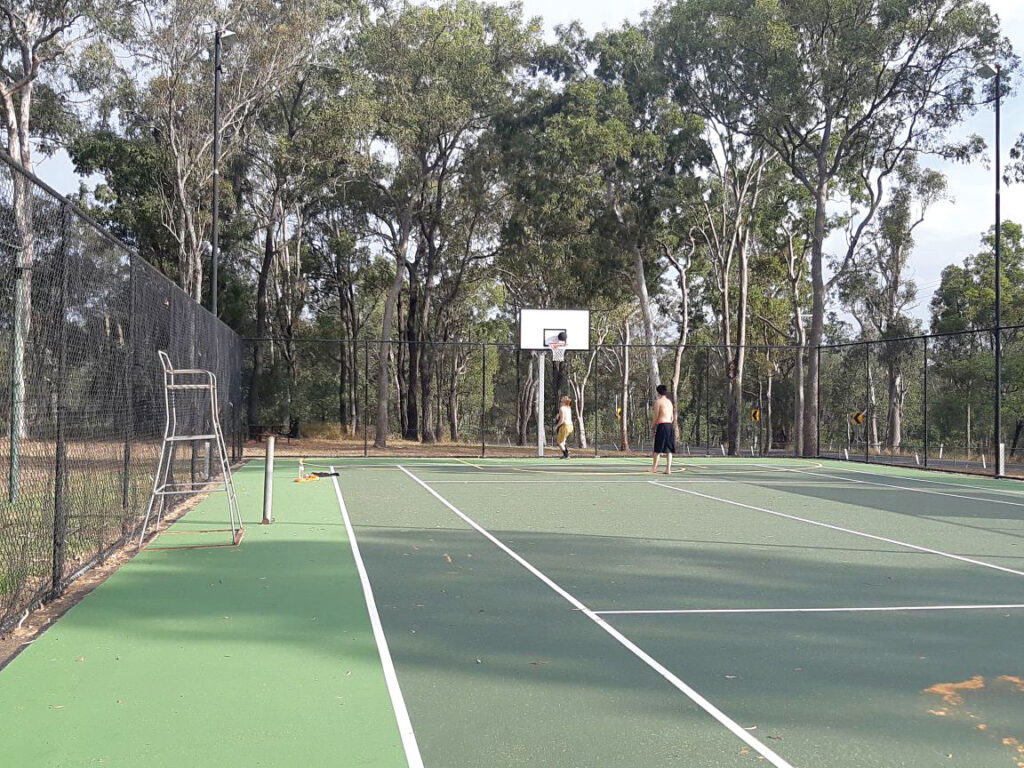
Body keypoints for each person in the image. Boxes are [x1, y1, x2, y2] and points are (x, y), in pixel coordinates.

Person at [650, 384, 676, 474]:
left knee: (657, 449)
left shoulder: (658, 402)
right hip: (669, 426)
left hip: (662, 426)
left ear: (658, 393)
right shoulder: (669, 402)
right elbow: (672, 417)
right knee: (668, 449)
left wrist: (652, 426)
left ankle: (654, 468)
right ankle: (668, 469)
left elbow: (656, 416)